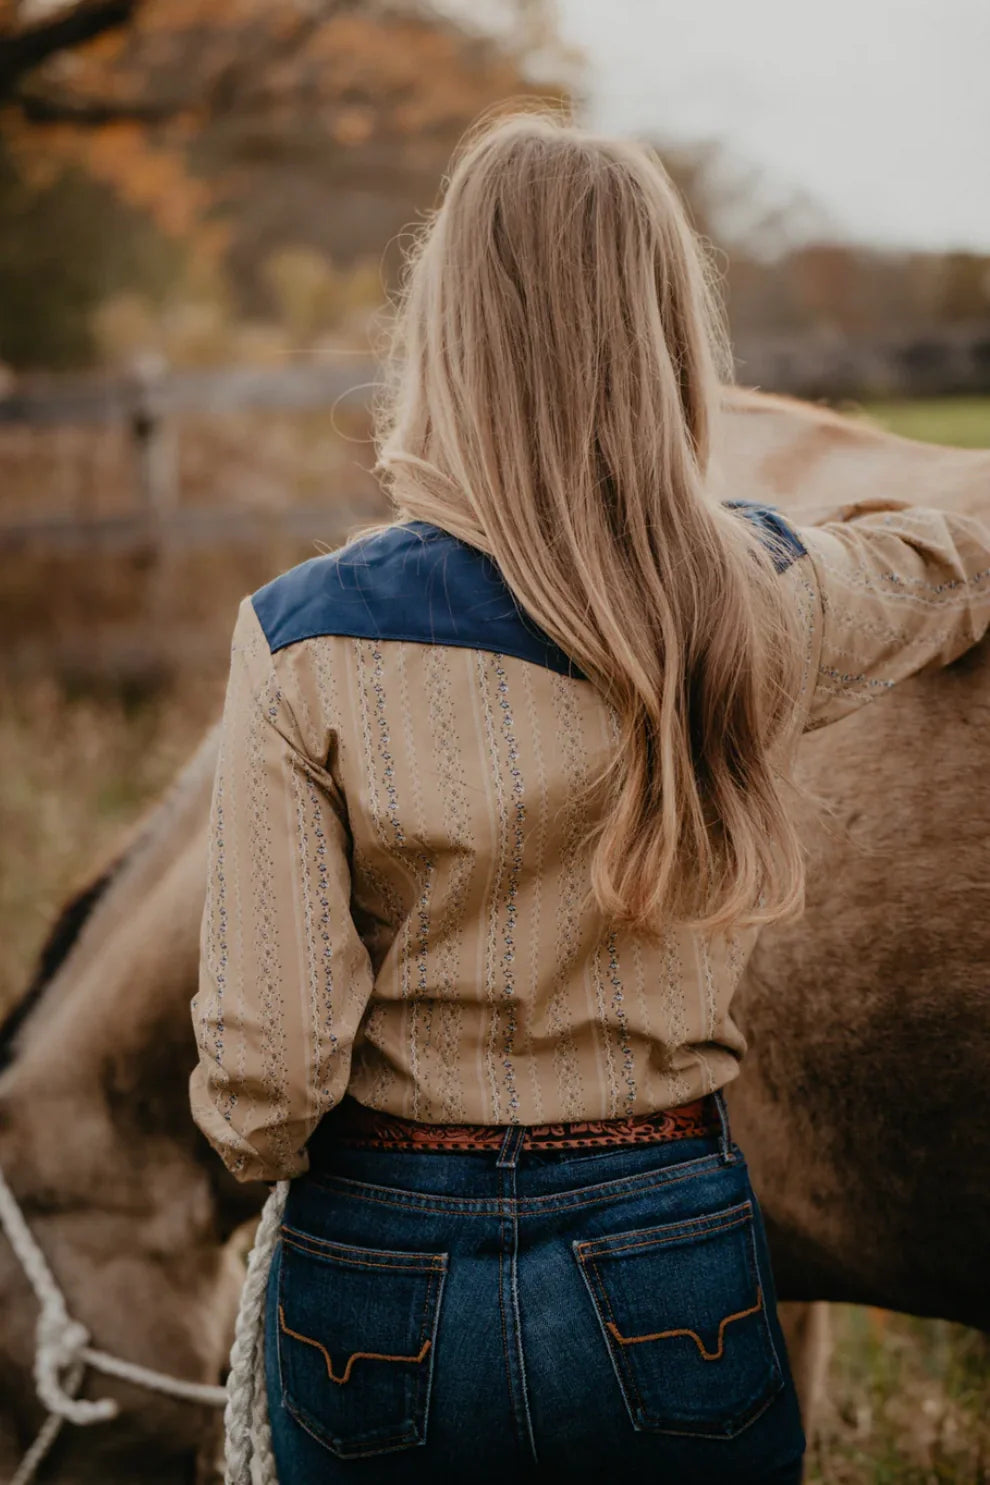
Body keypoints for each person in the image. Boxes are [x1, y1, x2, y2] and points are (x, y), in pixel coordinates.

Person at [189, 111, 990, 1485]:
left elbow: (269, 1071)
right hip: (666, 1245)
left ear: (443, 332)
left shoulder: (299, 640)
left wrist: (261, 1147)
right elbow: (949, 564)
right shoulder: (761, 599)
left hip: (377, 1261)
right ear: (665, 335)